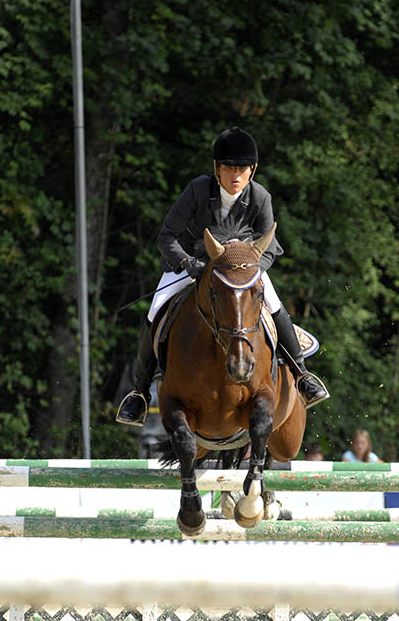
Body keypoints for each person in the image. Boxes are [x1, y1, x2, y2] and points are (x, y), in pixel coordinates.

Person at [117, 126, 329, 426]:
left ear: (252, 170)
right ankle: (139, 393)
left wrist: (248, 270)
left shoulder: (260, 197)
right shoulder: (197, 190)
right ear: (217, 169)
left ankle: (302, 374)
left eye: (242, 168)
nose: (235, 174)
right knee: (155, 310)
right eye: (228, 167)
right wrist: (189, 263)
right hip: (194, 265)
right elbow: (167, 237)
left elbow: (270, 247)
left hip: (242, 274)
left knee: (274, 304)